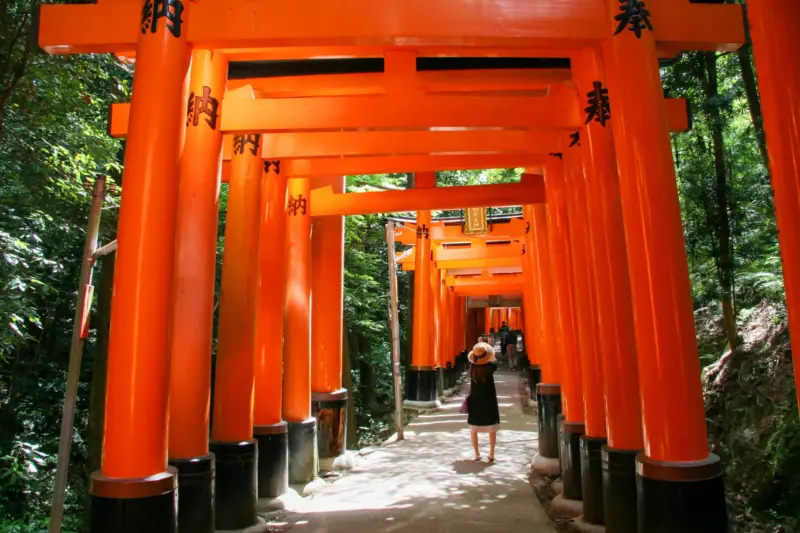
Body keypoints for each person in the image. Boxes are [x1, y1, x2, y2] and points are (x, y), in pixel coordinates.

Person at [466, 342, 501, 463]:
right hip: (489, 399)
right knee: (491, 428)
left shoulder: (471, 367)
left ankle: (476, 454)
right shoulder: (491, 367)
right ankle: (491, 454)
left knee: (474, 428)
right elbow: (494, 360)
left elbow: (472, 361)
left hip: (475, 399)